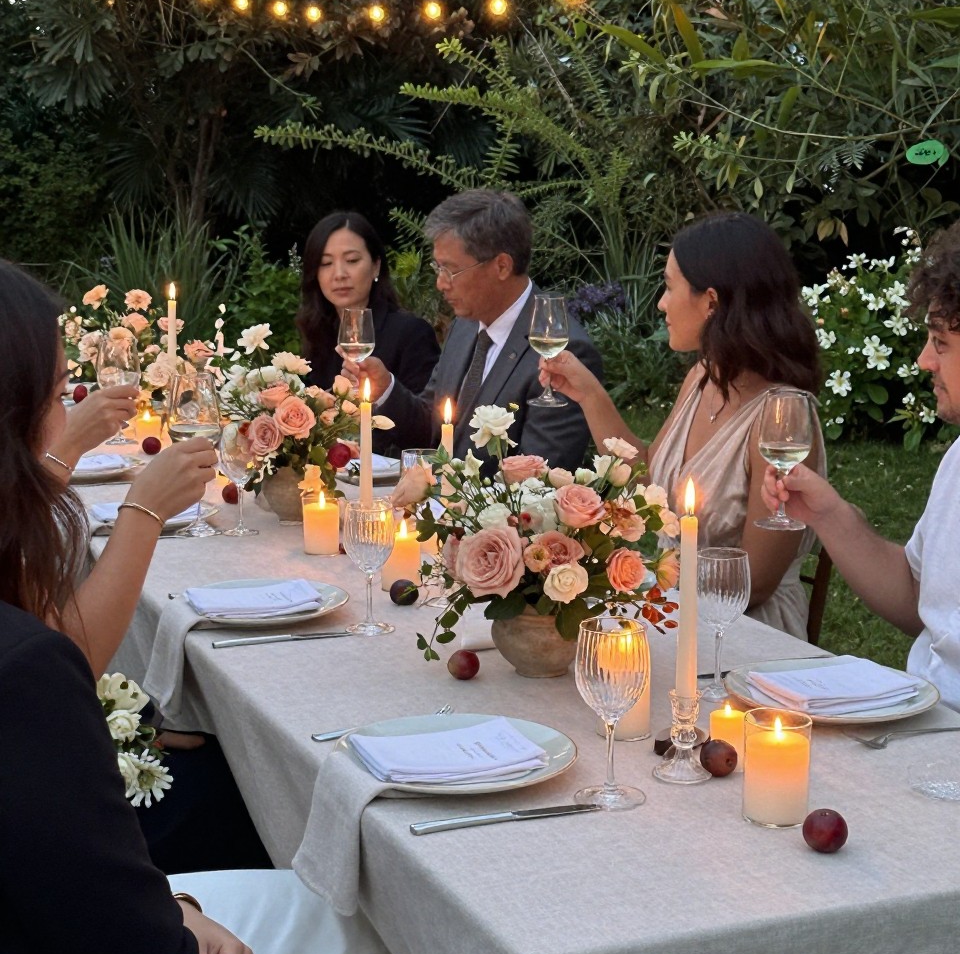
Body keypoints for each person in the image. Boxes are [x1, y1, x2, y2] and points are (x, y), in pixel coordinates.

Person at [0, 259, 448, 954]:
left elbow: (72, 884)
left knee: (395, 937)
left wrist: (175, 908)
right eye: (58, 399)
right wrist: (171, 935)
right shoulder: (23, 674)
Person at [539, 211, 824, 636]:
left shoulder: (780, 419)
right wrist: (589, 394)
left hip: (744, 635)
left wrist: (648, 575)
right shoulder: (702, 377)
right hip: (668, 608)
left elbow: (757, 583)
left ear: (711, 301)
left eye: (670, 287)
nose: (661, 303)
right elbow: (650, 484)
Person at [762, 219, 960, 702]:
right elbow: (920, 602)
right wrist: (828, 515)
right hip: (928, 727)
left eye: (941, 342)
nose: (924, 362)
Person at [345, 188, 604, 472]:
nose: (440, 284)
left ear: (502, 266)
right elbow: (433, 430)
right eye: (437, 268)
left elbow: (540, 484)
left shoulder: (560, 351)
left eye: (450, 270)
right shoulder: (466, 325)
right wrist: (386, 389)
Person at [298, 211, 439, 418]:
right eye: (326, 263)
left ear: (376, 266)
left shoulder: (412, 333)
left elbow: (427, 424)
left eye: (352, 260)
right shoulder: (318, 332)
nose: (339, 274)